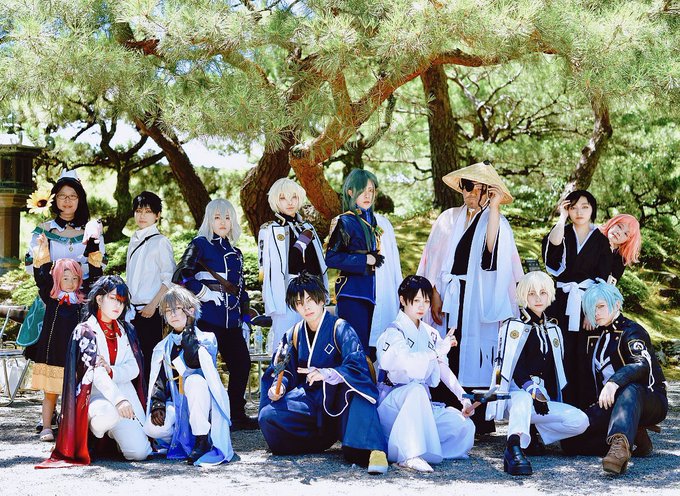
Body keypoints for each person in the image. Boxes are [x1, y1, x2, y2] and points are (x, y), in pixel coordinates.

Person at [416, 160, 523, 434]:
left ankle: (478, 416)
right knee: (448, 345)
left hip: (478, 298)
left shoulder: (496, 221)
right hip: (450, 294)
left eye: (479, 188)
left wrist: (494, 208)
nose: (472, 193)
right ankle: (447, 408)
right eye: (467, 186)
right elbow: (435, 260)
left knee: (477, 350)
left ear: (489, 191)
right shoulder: (448, 218)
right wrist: (434, 293)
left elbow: (492, 252)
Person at [258, 272, 389, 475]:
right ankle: (316, 442)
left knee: (361, 395)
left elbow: (357, 366)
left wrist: (327, 373)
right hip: (309, 399)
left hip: (340, 398)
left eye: (310, 299)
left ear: (322, 299)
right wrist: (279, 387)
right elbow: (283, 369)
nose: (306, 307)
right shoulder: (294, 333)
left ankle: (373, 450)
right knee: (268, 416)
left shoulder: (341, 328)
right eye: (299, 303)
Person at [37, 276, 151, 467]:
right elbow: (94, 373)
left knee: (139, 452)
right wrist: (118, 399)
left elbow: (134, 368)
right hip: (92, 398)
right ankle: (91, 436)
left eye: (122, 301)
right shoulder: (85, 330)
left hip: (124, 397)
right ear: (99, 299)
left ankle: (110, 440)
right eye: (113, 298)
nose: (118, 305)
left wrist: (112, 371)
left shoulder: (126, 330)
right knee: (108, 414)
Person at [486, 271, 589, 476]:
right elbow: (510, 368)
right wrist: (533, 391)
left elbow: (556, 373)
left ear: (550, 295)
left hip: (541, 400)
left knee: (580, 420)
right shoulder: (512, 326)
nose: (538, 298)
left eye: (543, 293)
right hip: (514, 395)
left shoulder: (553, 329)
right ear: (523, 296)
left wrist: (544, 395)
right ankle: (513, 448)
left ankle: (532, 432)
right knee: (524, 398)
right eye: (532, 293)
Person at [561, 282, 668, 475]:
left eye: (601, 306)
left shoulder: (633, 331)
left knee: (630, 389)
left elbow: (640, 365)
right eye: (592, 308)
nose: (596, 313)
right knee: (570, 444)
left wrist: (614, 383)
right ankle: (634, 433)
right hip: (611, 404)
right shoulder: (594, 334)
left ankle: (619, 448)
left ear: (617, 304)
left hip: (648, 399)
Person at [376, 275, 475, 472]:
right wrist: (437, 351)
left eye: (427, 301)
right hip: (393, 404)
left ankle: (426, 450)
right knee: (416, 390)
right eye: (416, 300)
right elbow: (407, 363)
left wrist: (463, 397)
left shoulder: (430, 333)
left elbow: (442, 368)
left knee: (463, 426)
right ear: (403, 300)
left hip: (421, 405)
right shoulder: (393, 332)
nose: (422, 306)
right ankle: (408, 454)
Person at [174, 199, 257, 430]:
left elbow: (241, 290)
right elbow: (181, 275)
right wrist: (204, 293)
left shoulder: (236, 252)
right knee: (203, 369)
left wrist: (245, 320)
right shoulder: (200, 244)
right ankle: (203, 417)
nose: (223, 222)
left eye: (227, 217)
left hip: (232, 322)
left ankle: (236, 414)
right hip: (207, 319)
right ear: (209, 220)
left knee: (242, 364)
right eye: (217, 217)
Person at [144, 285, 234, 466]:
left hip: (203, 403)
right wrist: (157, 403)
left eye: (177, 308)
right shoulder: (163, 346)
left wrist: (190, 329)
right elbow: (159, 379)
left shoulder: (207, 339)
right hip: (176, 402)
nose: (173, 314)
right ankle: (180, 441)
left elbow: (193, 363)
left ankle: (202, 439)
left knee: (194, 381)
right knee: (152, 428)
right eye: (168, 310)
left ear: (190, 310)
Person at [25, 239, 103, 442]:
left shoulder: (83, 300)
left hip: (75, 355)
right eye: (65, 278)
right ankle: (46, 427)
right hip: (52, 355)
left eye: (75, 278)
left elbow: (96, 279)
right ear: (57, 279)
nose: (70, 282)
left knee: (74, 394)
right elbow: (41, 276)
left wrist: (93, 250)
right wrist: (43, 249)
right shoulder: (51, 297)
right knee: (50, 394)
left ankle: (70, 427)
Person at [542, 190, 612, 408]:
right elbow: (552, 250)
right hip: (561, 303)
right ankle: (556, 406)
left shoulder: (601, 240)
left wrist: (592, 311)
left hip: (587, 303)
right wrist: (561, 217)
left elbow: (602, 278)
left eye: (585, 207)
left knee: (583, 355)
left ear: (593, 209)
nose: (579, 212)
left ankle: (586, 410)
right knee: (559, 351)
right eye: (573, 207)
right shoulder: (562, 232)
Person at [258, 178, 328, 353]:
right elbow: (265, 270)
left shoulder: (308, 227)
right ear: (275, 200)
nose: (290, 202)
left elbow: (318, 264)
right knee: (285, 345)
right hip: (285, 293)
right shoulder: (269, 230)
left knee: (313, 344)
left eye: (294, 197)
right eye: (283, 198)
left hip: (312, 292)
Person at [326, 169, 388, 354]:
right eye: (362, 190)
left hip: (377, 293)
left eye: (371, 190)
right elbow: (331, 257)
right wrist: (364, 259)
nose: (367, 195)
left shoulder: (377, 222)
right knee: (355, 349)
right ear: (350, 192)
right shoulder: (344, 221)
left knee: (374, 349)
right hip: (353, 293)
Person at [125, 191, 176, 383]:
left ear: (157, 215)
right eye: (139, 211)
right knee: (133, 363)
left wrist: (153, 305)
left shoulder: (161, 242)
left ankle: (153, 400)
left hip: (152, 312)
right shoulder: (133, 240)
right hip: (132, 312)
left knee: (151, 363)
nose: (142, 215)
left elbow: (169, 278)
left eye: (148, 211)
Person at [25, 170, 106, 280]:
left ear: (80, 200)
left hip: (86, 289)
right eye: (62, 196)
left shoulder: (91, 231)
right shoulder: (44, 230)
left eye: (73, 196)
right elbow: (30, 267)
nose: (67, 201)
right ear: (54, 198)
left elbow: (102, 264)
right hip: (51, 289)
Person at [368, 212, 403, 361]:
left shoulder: (383, 223)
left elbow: (394, 260)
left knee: (384, 344)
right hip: (358, 293)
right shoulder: (345, 221)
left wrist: (400, 291)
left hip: (384, 288)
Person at [599, 214, 641, 285]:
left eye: (625, 234)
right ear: (612, 223)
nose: (619, 233)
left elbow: (609, 283)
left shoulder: (621, 259)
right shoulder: (593, 237)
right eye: (619, 226)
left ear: (628, 240)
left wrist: (608, 253)